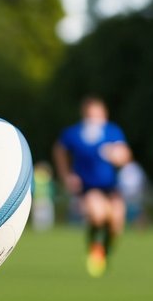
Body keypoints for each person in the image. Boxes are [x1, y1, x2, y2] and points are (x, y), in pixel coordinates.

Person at [53, 95, 132, 277]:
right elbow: (59, 150)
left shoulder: (112, 131)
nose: (94, 118)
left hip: (111, 187)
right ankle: (93, 249)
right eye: (91, 114)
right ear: (84, 114)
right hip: (89, 187)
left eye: (98, 113)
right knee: (98, 216)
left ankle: (104, 252)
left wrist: (118, 156)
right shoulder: (74, 133)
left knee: (116, 225)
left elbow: (125, 156)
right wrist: (67, 176)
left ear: (104, 114)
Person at [117, 158, 146, 229]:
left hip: (135, 192)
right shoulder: (123, 169)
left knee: (137, 210)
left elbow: (140, 179)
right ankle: (129, 225)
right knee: (128, 209)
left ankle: (139, 225)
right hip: (126, 192)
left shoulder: (134, 168)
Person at [30, 161, 56, 231]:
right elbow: (50, 187)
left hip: (37, 198)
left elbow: (32, 188)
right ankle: (46, 228)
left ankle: (38, 228)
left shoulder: (34, 176)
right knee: (47, 214)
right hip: (45, 197)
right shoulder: (47, 176)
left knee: (38, 215)